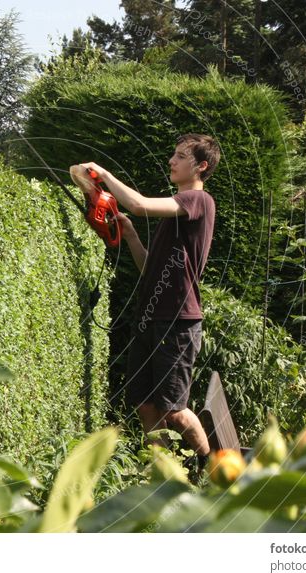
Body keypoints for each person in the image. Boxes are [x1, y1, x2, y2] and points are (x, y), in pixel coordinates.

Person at [78, 133, 221, 473]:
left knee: (174, 409)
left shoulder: (199, 201)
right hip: (151, 317)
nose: (171, 161)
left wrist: (103, 173)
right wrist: (130, 235)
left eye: (179, 156)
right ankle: (162, 474)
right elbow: (149, 272)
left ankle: (214, 470)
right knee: (145, 405)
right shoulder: (175, 217)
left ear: (200, 166)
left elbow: (140, 204)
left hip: (177, 320)